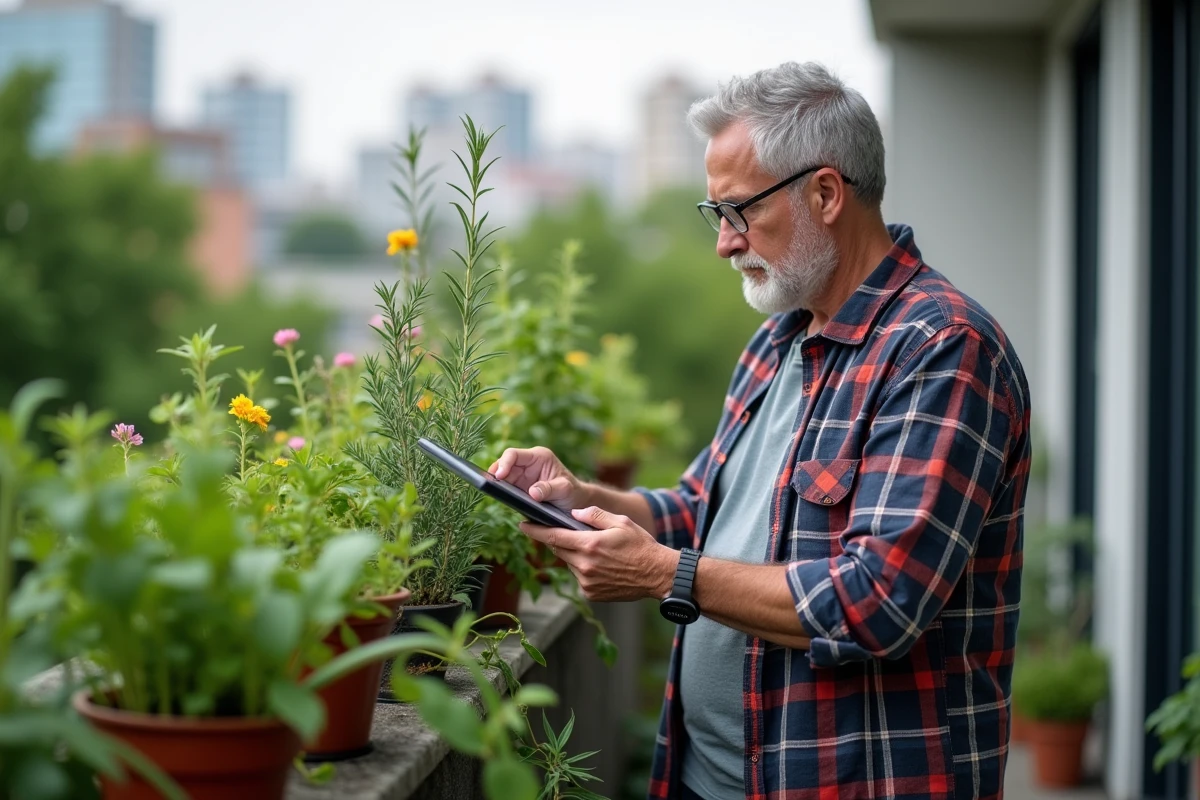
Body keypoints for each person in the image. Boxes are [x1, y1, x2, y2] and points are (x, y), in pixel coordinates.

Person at [490, 61, 1030, 800]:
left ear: (826, 193)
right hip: (707, 775)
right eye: (716, 215)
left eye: (739, 211)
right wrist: (578, 497)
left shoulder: (944, 348)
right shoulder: (777, 341)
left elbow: (879, 603)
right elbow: (699, 511)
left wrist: (658, 573)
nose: (724, 243)